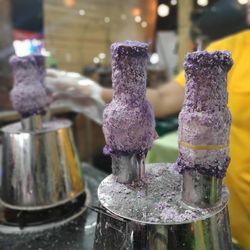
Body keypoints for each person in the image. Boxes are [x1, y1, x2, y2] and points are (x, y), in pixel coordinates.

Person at [47, 2, 250, 248]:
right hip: (227, 222)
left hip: (222, 212)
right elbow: (163, 98)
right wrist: (93, 91)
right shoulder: (230, 48)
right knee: (129, 181)